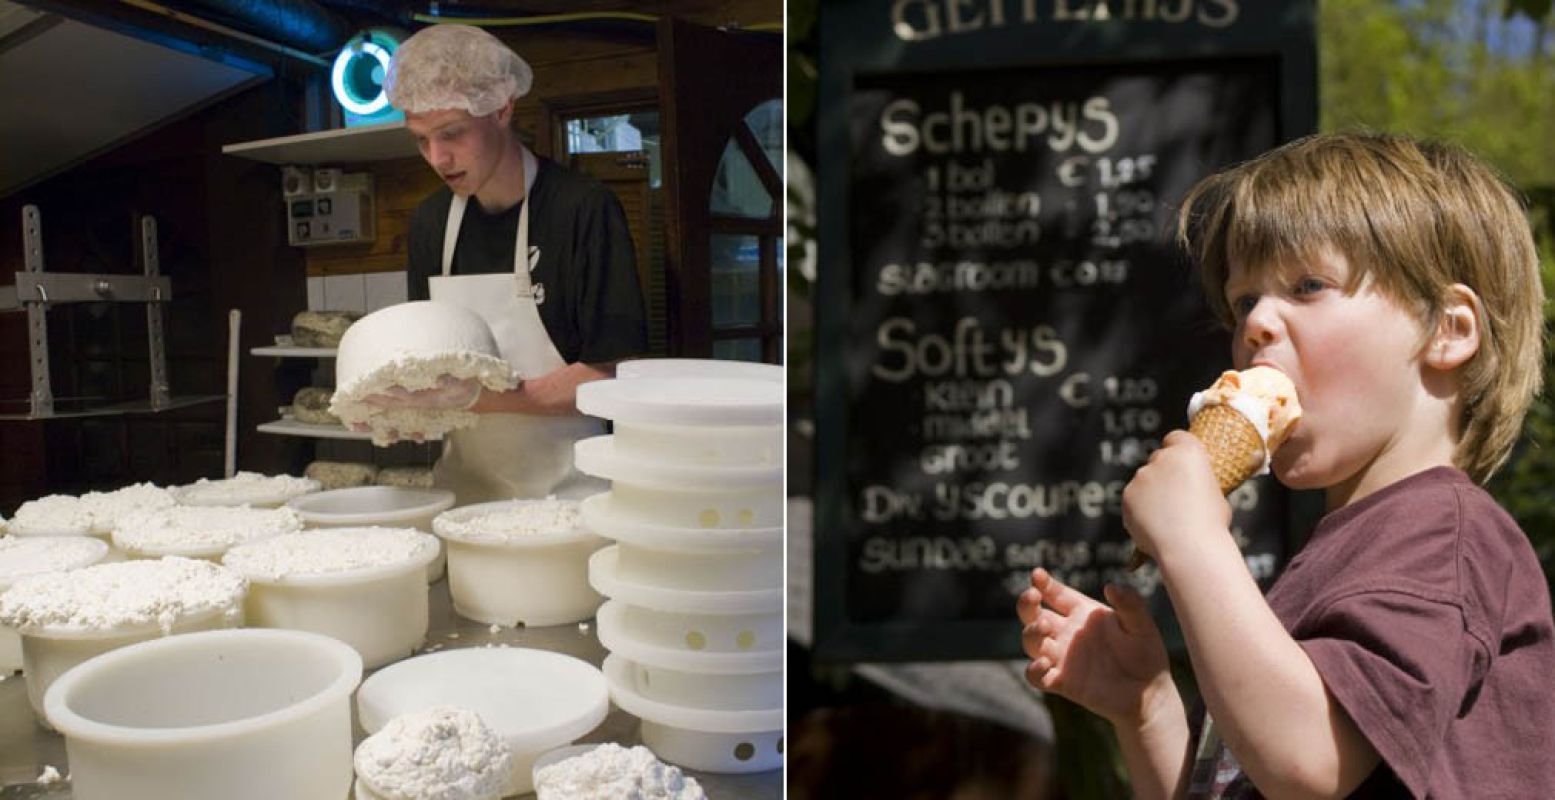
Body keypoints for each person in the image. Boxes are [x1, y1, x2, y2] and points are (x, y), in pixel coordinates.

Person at [1017, 132, 1555, 798]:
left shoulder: (1439, 532)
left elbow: (1312, 762)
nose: (1255, 325)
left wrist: (1191, 541)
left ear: (1447, 331)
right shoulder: (1337, 556)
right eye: (1243, 301)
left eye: (1306, 286)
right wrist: (1147, 707)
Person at [378, 24, 647, 504]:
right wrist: (405, 410)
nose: (438, 158)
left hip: (572, 492)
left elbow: (612, 371)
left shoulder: (581, 209)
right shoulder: (430, 223)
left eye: (452, 134)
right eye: (420, 140)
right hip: (465, 492)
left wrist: (475, 398)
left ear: (502, 109)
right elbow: (426, 361)